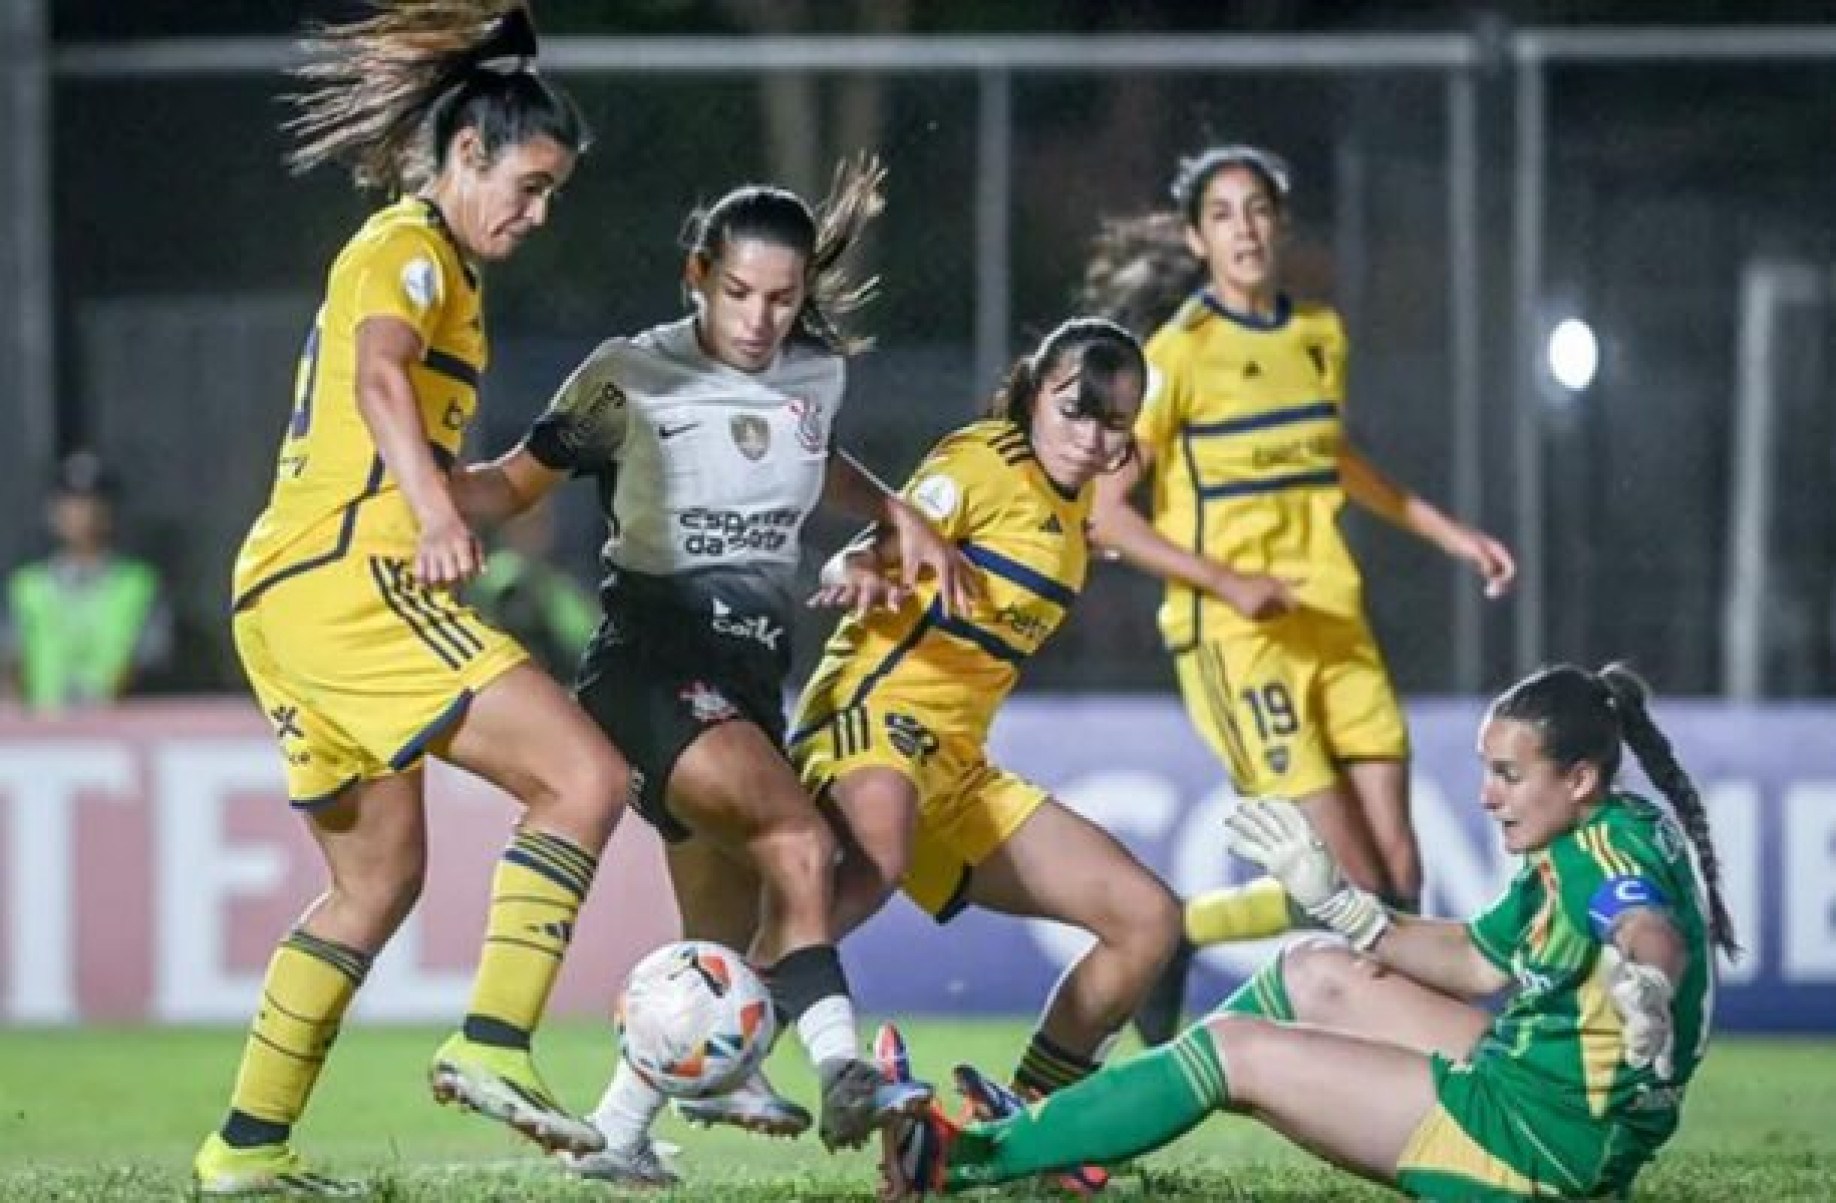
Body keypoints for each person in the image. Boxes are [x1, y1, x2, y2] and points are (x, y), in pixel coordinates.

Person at [454, 157, 968, 1184]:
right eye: (739, 292)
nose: (760, 317)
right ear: (698, 275)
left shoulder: (815, 375)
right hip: (648, 664)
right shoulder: (628, 374)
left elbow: (808, 457)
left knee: (723, 944)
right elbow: (509, 488)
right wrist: (407, 492)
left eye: (783, 297)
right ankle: (842, 1071)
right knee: (800, 842)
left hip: (746, 680)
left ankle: (618, 1138)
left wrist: (895, 512)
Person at [194, 5, 629, 1195]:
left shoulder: (450, 280)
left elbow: (467, 481)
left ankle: (244, 1148)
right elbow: (380, 376)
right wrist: (433, 516)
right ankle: (493, 1042)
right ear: (469, 153)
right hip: (353, 579)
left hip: (286, 592)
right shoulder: (412, 244)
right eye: (530, 186)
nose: (536, 215)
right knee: (585, 779)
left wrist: (549, 456)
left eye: (554, 197)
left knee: (375, 883)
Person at [886, 662, 1736, 1202]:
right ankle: (1072, 1129)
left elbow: (1646, 926)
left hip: (1535, 1144)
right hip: (1549, 1095)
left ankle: (959, 1159)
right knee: (1313, 970)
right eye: (1487, 770)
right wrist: (1340, 901)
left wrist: (1649, 980)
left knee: (1232, 1049)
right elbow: (1476, 961)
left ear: (1579, 776)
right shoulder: (1602, 824)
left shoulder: (1601, 855)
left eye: (1508, 774)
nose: (1487, 794)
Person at [1080, 143, 1518, 1043]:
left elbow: (1335, 459)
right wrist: (1226, 581)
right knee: (1345, 879)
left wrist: (1448, 532)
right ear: (1198, 241)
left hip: (1333, 619)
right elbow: (1107, 514)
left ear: (1280, 224)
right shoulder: (1176, 356)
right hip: (1236, 641)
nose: (1244, 228)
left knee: (1398, 874)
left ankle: (1373, 1042)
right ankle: (1181, 936)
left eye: (1257, 210)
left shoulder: (1319, 332)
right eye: (1223, 215)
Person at [790, 317, 1181, 1187]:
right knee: (872, 862)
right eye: (1077, 409)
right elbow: (893, 533)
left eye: (1115, 423)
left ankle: (1022, 1134)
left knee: (1146, 919)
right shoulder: (985, 458)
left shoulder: (1076, 507)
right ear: (1036, 389)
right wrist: (857, 562)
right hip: (871, 712)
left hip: (957, 765)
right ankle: (703, 1026)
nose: (1092, 437)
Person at [2, 452, 171, 711]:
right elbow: (10, 662)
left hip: (120, 731)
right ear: (53, 513)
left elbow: (150, 662)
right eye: (73, 504)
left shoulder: (138, 584)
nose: (85, 514)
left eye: (94, 503)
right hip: (41, 731)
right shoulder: (27, 587)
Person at [469, 504, 599, 678]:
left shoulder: (556, 585)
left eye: (540, 523)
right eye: (523, 524)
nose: (534, 533)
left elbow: (584, 638)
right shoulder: (491, 576)